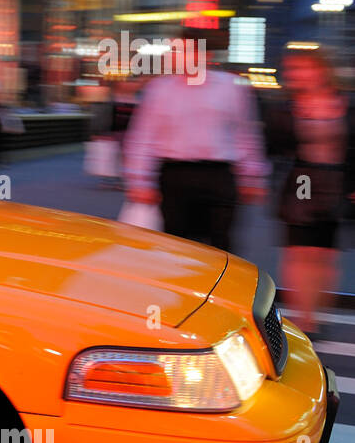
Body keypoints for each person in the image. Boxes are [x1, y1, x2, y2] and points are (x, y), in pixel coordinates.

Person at [124, 28, 268, 252]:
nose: (176, 55)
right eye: (175, 50)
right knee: (177, 248)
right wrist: (139, 182)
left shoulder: (231, 88)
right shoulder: (159, 90)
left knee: (222, 248)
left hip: (219, 176)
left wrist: (252, 176)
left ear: (205, 55)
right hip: (174, 175)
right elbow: (143, 138)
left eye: (183, 50)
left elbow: (246, 134)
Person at [264, 49, 354, 334]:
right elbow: (273, 146)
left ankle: (317, 313)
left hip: (336, 180)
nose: (295, 75)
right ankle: (305, 319)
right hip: (303, 178)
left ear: (320, 70)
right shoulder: (286, 108)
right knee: (301, 249)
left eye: (302, 68)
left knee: (325, 253)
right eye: (291, 70)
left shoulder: (343, 103)